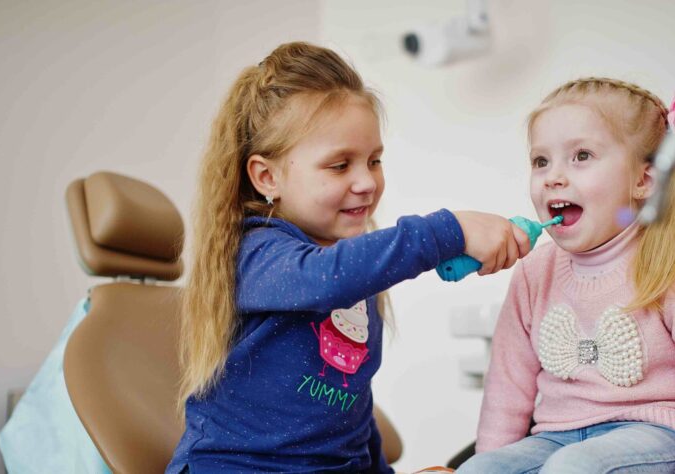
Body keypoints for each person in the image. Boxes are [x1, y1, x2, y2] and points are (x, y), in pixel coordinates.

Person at [167, 42, 529, 473]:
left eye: (374, 160)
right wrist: (449, 230)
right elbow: (324, 279)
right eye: (340, 166)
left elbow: (350, 415)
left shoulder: (352, 271)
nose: (366, 182)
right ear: (267, 176)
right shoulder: (256, 254)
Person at [458, 78, 675, 474]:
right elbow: (505, 394)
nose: (553, 177)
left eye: (581, 156)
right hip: (554, 437)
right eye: (540, 161)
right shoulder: (534, 272)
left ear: (643, 180)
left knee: (573, 467)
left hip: (655, 435)